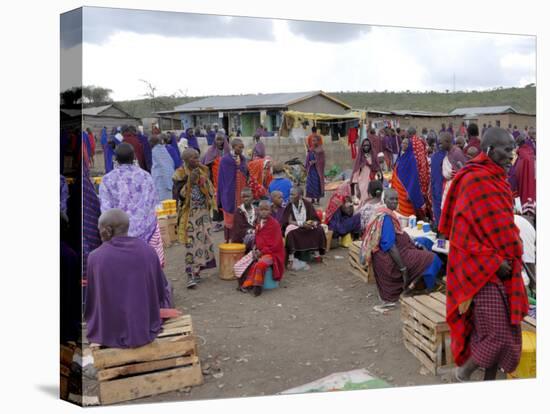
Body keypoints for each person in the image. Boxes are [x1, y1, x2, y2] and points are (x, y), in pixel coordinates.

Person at [439, 127, 528, 381]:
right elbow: (461, 237)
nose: (512, 156)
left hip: (506, 266)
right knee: (496, 335)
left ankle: (489, 383)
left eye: (513, 150)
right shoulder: (473, 179)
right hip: (480, 272)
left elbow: (502, 224)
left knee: (507, 331)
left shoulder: (499, 179)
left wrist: (512, 250)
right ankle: (462, 373)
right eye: (507, 150)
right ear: (490, 150)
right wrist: (492, 261)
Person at [84, 209, 172, 348]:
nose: (99, 233)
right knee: (168, 286)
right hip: (143, 327)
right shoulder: (147, 250)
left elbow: (92, 301)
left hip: (110, 330)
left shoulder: (95, 257)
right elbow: (160, 292)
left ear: (107, 229)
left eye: (99, 229)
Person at [360, 189, 442, 305]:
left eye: (396, 199)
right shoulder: (386, 217)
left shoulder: (384, 213)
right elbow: (390, 246)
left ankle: (416, 282)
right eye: (391, 199)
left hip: (397, 250)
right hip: (392, 257)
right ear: (385, 200)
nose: (394, 202)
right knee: (433, 258)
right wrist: (403, 269)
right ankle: (428, 288)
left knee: (425, 242)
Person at [99, 143, 165, 267]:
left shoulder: (107, 179)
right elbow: (153, 203)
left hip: (119, 234)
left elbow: (106, 210)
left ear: (115, 159)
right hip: (146, 232)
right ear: (134, 157)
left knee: (125, 272)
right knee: (147, 269)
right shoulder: (146, 176)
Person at [173, 148, 217, 288]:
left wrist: (203, 181)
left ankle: (197, 272)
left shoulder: (203, 170)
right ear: (185, 160)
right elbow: (179, 196)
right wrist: (190, 182)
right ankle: (190, 274)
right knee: (191, 244)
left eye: (198, 157)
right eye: (193, 158)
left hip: (203, 212)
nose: (197, 160)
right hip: (190, 214)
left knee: (204, 241)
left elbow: (210, 190)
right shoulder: (179, 174)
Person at [238, 200, 285, 297]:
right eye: (261, 209)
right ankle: (246, 284)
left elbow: (275, 245)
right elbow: (257, 239)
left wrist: (261, 252)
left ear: (270, 210)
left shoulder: (274, 224)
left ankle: (256, 286)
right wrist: (255, 249)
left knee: (260, 264)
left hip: (273, 254)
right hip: (260, 251)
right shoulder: (259, 223)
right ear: (258, 210)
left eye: (266, 209)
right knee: (242, 263)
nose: (264, 212)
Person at [281, 187, 326, 267]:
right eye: (290, 194)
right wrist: (302, 224)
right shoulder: (289, 205)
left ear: (300, 196)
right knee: (290, 232)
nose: (290, 196)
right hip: (296, 228)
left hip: (307, 227)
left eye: (293, 195)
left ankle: (317, 254)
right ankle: (291, 258)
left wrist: (312, 223)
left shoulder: (307, 204)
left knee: (319, 229)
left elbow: (315, 218)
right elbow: (289, 221)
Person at [217, 138, 248, 242]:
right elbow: (223, 178)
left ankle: (240, 239)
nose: (241, 149)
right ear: (233, 147)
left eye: (242, 147)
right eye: (240, 147)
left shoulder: (243, 159)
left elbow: (246, 173)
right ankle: (229, 239)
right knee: (230, 215)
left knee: (241, 215)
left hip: (241, 192)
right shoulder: (226, 160)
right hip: (229, 192)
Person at [390, 137, 426, 219]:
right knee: (398, 210)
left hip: (406, 190)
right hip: (398, 190)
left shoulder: (411, 158)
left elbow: (413, 176)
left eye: (406, 143)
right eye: (402, 143)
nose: (403, 145)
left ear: (409, 145)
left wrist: (410, 191)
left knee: (407, 212)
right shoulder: (400, 156)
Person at [202, 132, 230, 231]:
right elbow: (205, 165)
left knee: (227, 200)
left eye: (221, 139)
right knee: (217, 201)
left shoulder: (228, 151)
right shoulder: (210, 151)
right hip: (215, 181)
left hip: (227, 181)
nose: (219, 142)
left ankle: (229, 221)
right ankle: (218, 222)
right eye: (217, 139)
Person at [407, 127, 432, 219]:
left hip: (416, 173)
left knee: (415, 195)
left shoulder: (411, 142)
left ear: (409, 134)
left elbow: (412, 160)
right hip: (424, 172)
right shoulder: (421, 141)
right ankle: (426, 214)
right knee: (423, 194)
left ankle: (419, 216)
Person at [509, 132, 536, 212]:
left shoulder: (520, 154)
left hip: (521, 181)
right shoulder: (530, 152)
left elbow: (514, 169)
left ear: (518, 144)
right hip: (531, 180)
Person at [440, 131, 467, 211]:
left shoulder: (456, 152)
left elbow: (463, 172)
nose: (440, 145)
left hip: (457, 190)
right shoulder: (448, 153)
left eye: (442, 143)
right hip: (450, 188)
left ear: (447, 142)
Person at [350, 138, 380, 206]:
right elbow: (356, 169)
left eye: (367, 145)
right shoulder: (360, 156)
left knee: (372, 196)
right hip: (362, 180)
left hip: (372, 179)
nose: (366, 147)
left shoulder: (373, 154)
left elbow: (377, 166)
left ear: (370, 146)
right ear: (362, 146)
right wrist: (355, 182)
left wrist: (378, 174)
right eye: (364, 145)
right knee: (363, 196)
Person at [150, 135, 175, 202]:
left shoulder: (156, 151)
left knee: (163, 202)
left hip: (163, 181)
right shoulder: (163, 149)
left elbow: (163, 166)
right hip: (166, 179)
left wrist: (168, 183)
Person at [305, 134, 325, 205]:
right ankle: (312, 199)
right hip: (311, 170)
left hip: (317, 171)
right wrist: (307, 163)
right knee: (310, 185)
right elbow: (308, 157)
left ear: (318, 141)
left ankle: (318, 200)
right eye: (312, 141)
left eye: (314, 141)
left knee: (317, 184)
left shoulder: (320, 150)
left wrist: (315, 162)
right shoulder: (310, 149)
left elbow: (322, 161)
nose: (313, 142)